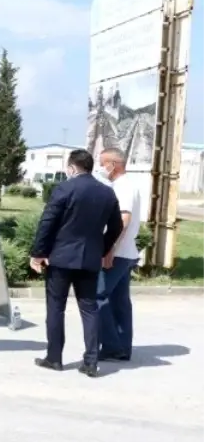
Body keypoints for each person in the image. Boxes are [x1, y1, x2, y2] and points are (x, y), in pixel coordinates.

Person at [29, 148, 123, 377]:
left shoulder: (65, 188)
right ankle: (91, 361)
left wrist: (38, 253)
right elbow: (117, 226)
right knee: (89, 309)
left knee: (56, 308)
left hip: (61, 258)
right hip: (90, 259)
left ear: (72, 168)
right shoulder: (106, 193)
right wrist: (102, 248)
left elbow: (47, 222)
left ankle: (54, 358)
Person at [96, 147, 142, 362]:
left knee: (98, 297)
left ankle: (113, 345)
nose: (100, 166)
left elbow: (123, 220)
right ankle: (122, 347)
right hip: (125, 251)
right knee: (119, 300)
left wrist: (109, 250)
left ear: (113, 164)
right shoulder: (122, 185)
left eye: (102, 162)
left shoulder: (123, 187)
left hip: (118, 252)